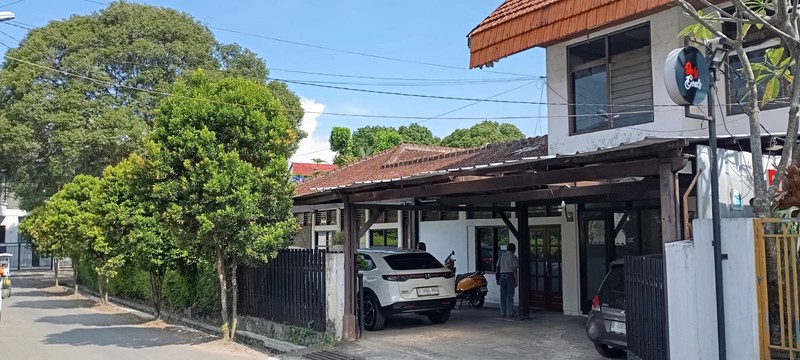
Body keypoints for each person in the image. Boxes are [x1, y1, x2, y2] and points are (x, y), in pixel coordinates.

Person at [496, 243, 519, 317]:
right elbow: (514, 269)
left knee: (503, 294)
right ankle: (510, 312)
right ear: (513, 249)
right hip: (510, 275)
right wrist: (516, 280)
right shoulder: (513, 257)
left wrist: (497, 277)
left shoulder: (502, 256)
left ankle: (503, 312)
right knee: (510, 295)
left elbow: (497, 267)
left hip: (502, 275)